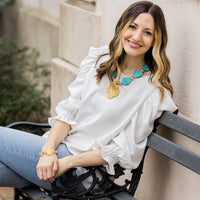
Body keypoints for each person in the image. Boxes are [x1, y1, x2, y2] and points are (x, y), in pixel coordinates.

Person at [0, 0, 177, 194]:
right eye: (133, 26)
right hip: (55, 155)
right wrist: (48, 152)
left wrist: (67, 162)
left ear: (156, 40)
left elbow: (122, 151)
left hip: (82, 174)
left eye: (147, 32)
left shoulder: (152, 91)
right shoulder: (99, 60)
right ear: (122, 26)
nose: (136, 36)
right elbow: (68, 112)